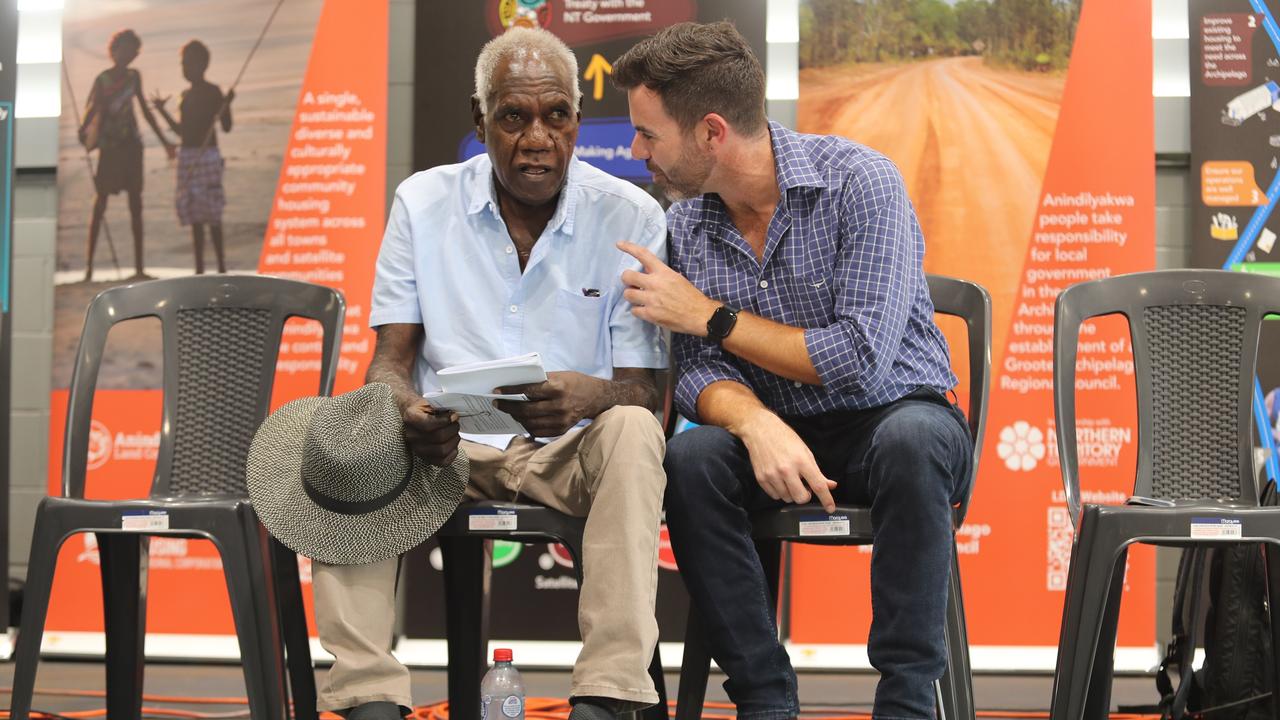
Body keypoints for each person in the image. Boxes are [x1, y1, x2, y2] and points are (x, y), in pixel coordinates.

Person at [612, 21, 974, 720]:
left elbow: (857, 357)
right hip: (771, 432)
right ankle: (765, 699)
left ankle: (906, 704)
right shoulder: (686, 226)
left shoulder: (861, 182)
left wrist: (711, 315)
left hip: (895, 417)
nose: (637, 151)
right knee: (691, 461)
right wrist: (755, 423)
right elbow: (693, 374)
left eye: (649, 135)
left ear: (711, 132)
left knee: (914, 442)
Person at [311, 26, 669, 720]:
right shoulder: (423, 203)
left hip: (568, 453)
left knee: (630, 429)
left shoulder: (630, 217)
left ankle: (606, 693)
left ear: (575, 117)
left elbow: (644, 391)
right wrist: (406, 409)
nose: (537, 137)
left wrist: (586, 396)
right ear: (481, 122)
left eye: (556, 115)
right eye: (514, 117)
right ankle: (368, 696)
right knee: (350, 425)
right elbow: (390, 359)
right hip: (447, 452)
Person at [79, 29, 176, 282]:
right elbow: (92, 110)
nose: (128, 54)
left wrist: (165, 141)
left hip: (132, 148)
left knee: (136, 205)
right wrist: (83, 131)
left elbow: (144, 111)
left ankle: (139, 267)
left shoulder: (134, 77)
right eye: (124, 49)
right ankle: (88, 269)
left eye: (132, 50)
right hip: (109, 149)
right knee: (99, 205)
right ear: (114, 50)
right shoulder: (102, 80)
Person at [153, 39, 234, 274]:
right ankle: (199, 269)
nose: (185, 68)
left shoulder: (212, 92)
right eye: (183, 64)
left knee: (212, 213)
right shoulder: (184, 95)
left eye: (188, 63)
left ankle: (220, 267)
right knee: (195, 216)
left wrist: (226, 105)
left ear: (202, 64)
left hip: (207, 156)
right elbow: (181, 131)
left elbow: (226, 126)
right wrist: (161, 111)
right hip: (187, 156)